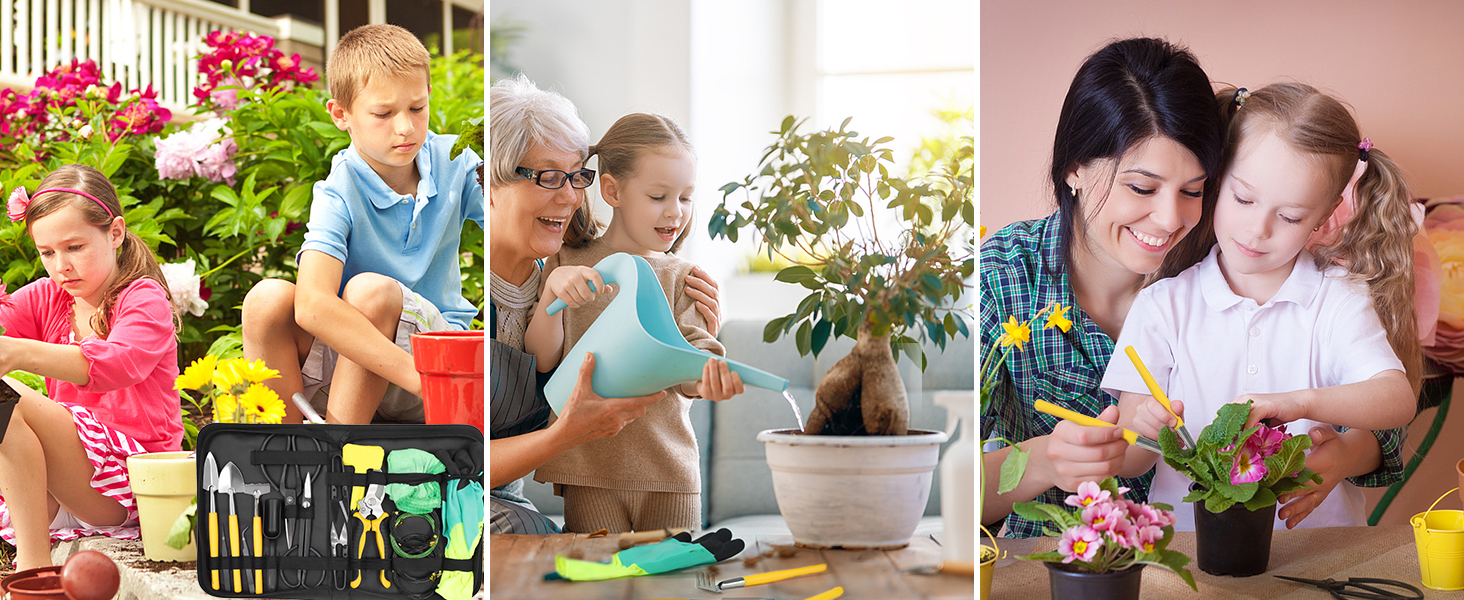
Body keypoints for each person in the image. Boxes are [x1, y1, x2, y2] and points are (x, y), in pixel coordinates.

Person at [1105, 82, 1416, 530]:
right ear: (1216, 180)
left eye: (1289, 217)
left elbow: (1396, 400)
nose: (1257, 230)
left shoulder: (1338, 298)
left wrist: (1299, 403)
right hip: (1192, 559)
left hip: (1317, 554)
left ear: (1325, 215)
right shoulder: (1163, 305)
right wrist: (1147, 432)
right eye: (1243, 199)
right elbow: (1132, 461)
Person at [981, 37, 1227, 537]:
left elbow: (1373, 415)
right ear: (1074, 166)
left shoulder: (1220, 269)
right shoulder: (1001, 279)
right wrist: (1044, 461)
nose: (1169, 218)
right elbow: (930, 495)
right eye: (1141, 187)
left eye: (1192, 191)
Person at [488, 75, 724, 534]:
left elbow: (699, 362)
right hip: (586, 469)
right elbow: (541, 361)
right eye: (659, 197)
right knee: (595, 577)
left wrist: (709, 366)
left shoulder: (683, 278)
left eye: (686, 198)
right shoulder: (563, 261)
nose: (675, 212)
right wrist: (554, 290)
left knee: (671, 579)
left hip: (667, 471)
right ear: (613, 191)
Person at [241, 24, 483, 424]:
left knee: (370, 292)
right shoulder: (339, 189)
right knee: (266, 301)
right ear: (341, 114)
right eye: (383, 114)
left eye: (417, 108)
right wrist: (415, 377)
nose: (405, 127)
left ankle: (341, 463)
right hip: (392, 371)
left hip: (438, 360)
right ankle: (283, 461)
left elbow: (508, 216)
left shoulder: (454, 159)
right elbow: (312, 304)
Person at [0, 164, 183, 570]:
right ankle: (34, 564)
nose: (60, 265)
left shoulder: (142, 297)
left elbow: (118, 365)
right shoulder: (49, 296)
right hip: (62, 486)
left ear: (115, 233)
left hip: (134, 482)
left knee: (8, 394)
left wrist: (18, 352)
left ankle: (32, 569)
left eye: (74, 247)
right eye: (47, 253)